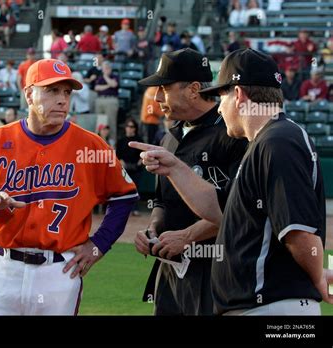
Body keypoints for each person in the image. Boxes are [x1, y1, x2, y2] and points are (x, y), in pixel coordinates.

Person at [130, 48, 333, 315]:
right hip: (257, 305)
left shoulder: (278, 141)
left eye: (221, 95)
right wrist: (176, 168)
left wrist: (318, 277)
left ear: (238, 95)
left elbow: (299, 232)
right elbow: (219, 209)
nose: (219, 105)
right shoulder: (263, 142)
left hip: (274, 307)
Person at [0, 58, 138, 315]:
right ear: (29, 95)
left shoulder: (90, 146)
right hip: (2, 269)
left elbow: (125, 196)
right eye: (52, 90)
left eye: (67, 92)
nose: (62, 99)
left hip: (60, 271)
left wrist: (98, 245)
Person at [134, 48, 247, 315]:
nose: (157, 97)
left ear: (194, 89)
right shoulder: (169, 137)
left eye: (164, 88)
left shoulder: (232, 131)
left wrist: (188, 237)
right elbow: (162, 199)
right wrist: (153, 230)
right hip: (172, 271)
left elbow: (238, 208)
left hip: (216, 270)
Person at [116, 118, 144, 216]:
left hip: (136, 168)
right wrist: (121, 161)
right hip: (124, 169)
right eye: (128, 126)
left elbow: (143, 153)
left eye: (132, 126)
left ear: (135, 128)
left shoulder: (139, 140)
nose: (129, 128)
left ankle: (135, 209)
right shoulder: (121, 141)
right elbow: (117, 155)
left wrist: (140, 161)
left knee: (135, 189)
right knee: (124, 190)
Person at [94, 60, 119, 144]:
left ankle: (112, 145)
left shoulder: (114, 76)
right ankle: (99, 143)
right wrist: (108, 85)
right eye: (104, 68)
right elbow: (97, 88)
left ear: (110, 68)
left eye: (107, 68)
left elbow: (114, 85)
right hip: (100, 100)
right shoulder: (99, 77)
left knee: (111, 123)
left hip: (111, 100)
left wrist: (106, 77)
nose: (106, 69)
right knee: (100, 123)